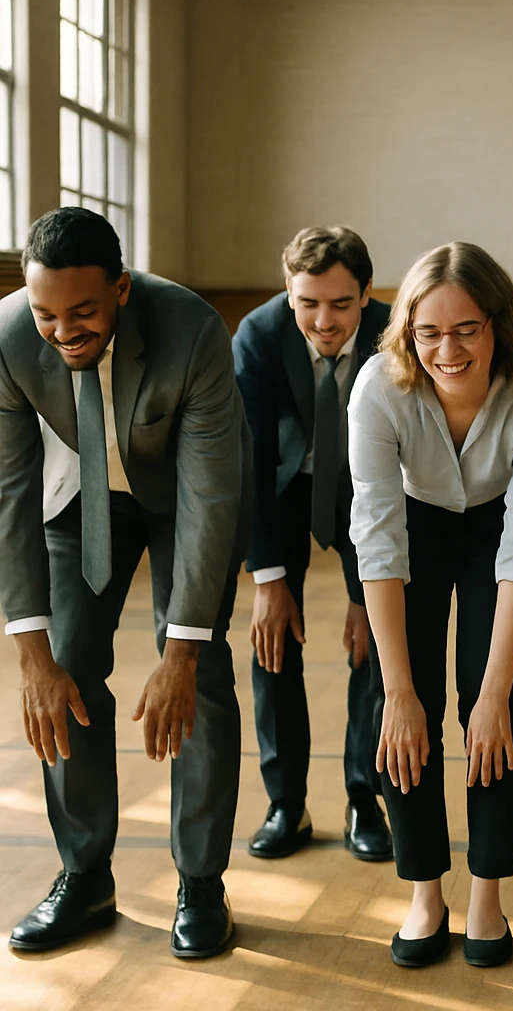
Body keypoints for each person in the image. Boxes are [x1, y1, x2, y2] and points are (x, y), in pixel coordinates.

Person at [1, 208, 249, 958]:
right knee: (67, 669)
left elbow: (209, 497)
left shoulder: (193, 329)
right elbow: (8, 489)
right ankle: (85, 878)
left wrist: (180, 647)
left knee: (197, 679)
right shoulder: (11, 337)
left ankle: (201, 883)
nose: (64, 331)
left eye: (82, 312)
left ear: (122, 289)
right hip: (77, 500)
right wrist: (31, 651)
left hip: (182, 496)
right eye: (47, 314)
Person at [348, 241, 513, 969]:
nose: (448, 348)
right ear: (408, 332)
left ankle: (486, 893)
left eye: (466, 328)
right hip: (413, 523)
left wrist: (497, 690)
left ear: (497, 324)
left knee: (493, 701)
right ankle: (423, 891)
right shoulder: (379, 387)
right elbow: (377, 540)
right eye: (429, 332)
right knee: (397, 703)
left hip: (499, 527)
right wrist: (404, 691)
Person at [233, 226, 392, 862]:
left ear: (366, 294)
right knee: (272, 642)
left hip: (370, 488)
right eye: (308, 303)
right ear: (288, 292)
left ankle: (365, 797)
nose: (323, 321)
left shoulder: (395, 332)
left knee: (379, 642)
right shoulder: (260, 333)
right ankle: (285, 804)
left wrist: (367, 591)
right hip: (281, 484)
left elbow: (400, 462)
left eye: (340, 304)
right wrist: (268, 579)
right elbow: (250, 457)